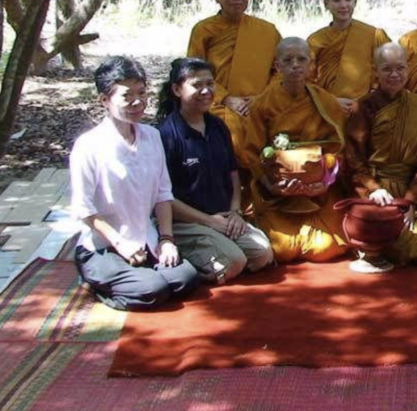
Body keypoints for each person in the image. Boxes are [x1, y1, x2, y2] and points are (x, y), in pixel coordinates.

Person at [69, 56, 199, 310]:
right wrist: (121, 243)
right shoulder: (89, 145)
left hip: (146, 239)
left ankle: (139, 274)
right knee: (151, 289)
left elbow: (163, 194)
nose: (137, 102)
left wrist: (167, 239)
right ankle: (95, 282)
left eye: (142, 93)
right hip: (105, 245)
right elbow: (83, 209)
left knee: (185, 279)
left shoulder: (151, 137)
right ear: (105, 100)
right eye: (127, 96)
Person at [156, 57, 274, 283]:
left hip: (224, 216)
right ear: (176, 89)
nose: (206, 91)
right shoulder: (165, 135)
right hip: (186, 223)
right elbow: (163, 197)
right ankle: (184, 259)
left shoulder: (218, 126)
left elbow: (232, 173)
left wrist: (235, 212)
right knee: (234, 262)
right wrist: (209, 222)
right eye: (196, 85)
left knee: (262, 253)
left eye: (210, 84)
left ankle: (217, 248)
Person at [345, 43, 417, 270]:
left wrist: (413, 200)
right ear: (376, 71)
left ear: (408, 69)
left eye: (400, 68)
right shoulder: (363, 107)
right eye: (387, 69)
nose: (394, 75)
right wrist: (373, 189)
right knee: (388, 240)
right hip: (377, 191)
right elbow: (354, 158)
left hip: (410, 189)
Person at [241, 38, 349, 263]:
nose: (295, 65)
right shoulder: (263, 104)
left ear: (311, 64)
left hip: (318, 192)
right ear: (277, 66)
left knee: (326, 249)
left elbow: (339, 147)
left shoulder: (325, 101)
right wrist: (271, 185)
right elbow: (252, 152)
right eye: (288, 60)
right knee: (283, 250)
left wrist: (325, 182)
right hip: (278, 195)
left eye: (301, 59)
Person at [187, 0, 281, 152]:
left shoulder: (267, 30)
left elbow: (281, 70)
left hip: (260, 104)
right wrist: (226, 98)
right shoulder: (204, 29)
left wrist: (262, 98)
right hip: (217, 104)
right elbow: (194, 71)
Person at [307, 0, 391, 119]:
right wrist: (330, 102)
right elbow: (307, 82)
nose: (343, 5)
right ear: (326, 4)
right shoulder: (316, 40)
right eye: (337, 0)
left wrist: (367, 101)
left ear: (355, 2)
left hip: (367, 110)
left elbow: (389, 72)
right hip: (325, 112)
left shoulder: (373, 35)